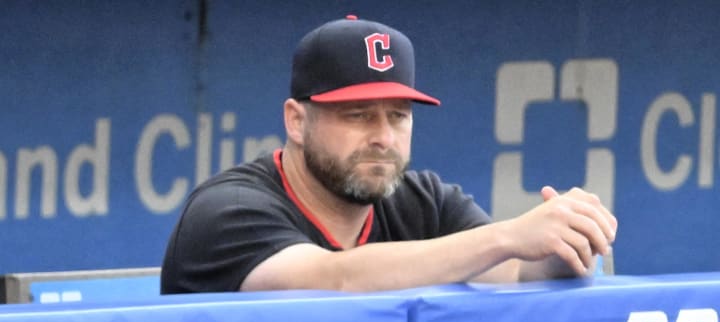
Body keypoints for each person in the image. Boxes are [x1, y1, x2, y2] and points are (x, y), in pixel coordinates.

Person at [160, 15, 617, 294]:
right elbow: (336, 281)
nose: (383, 137)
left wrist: (563, 246)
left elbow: (516, 275)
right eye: (358, 116)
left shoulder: (425, 202)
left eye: (398, 116)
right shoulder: (228, 211)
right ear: (296, 121)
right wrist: (508, 235)